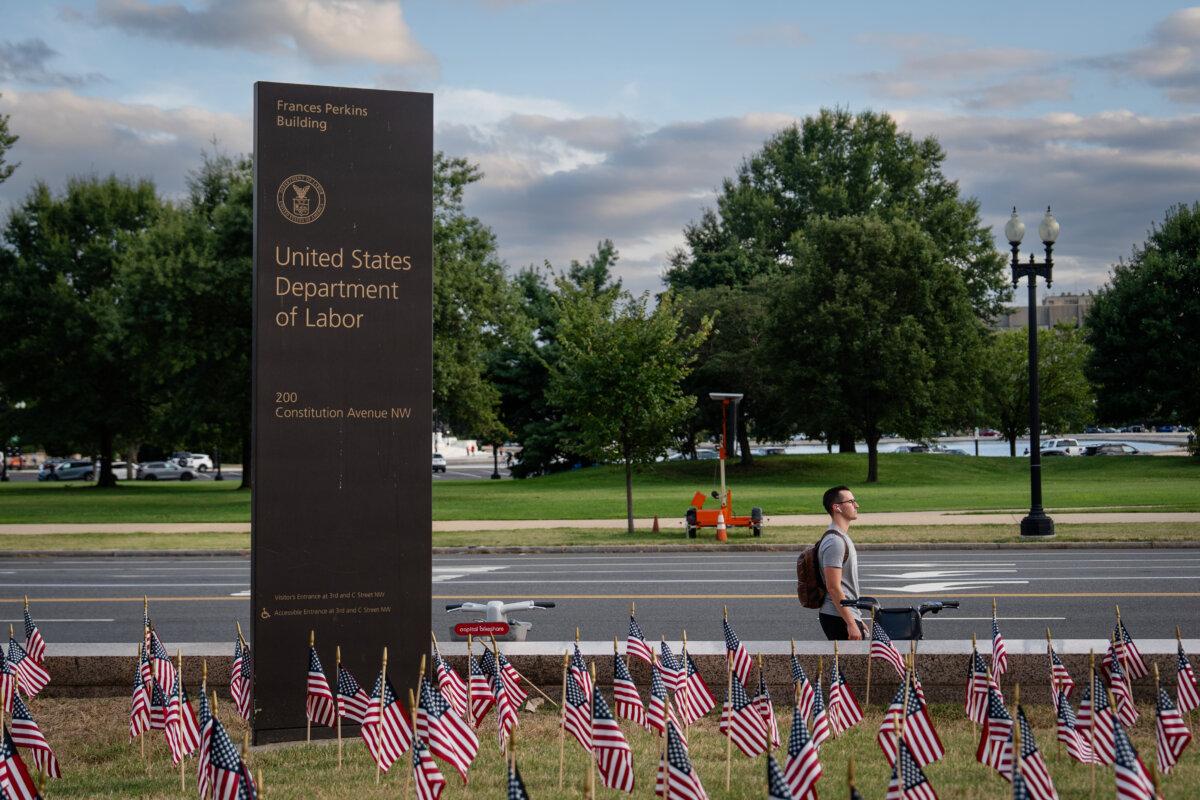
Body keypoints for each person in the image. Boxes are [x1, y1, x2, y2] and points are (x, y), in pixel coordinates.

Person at [818, 485, 865, 641]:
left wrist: (856, 616)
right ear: (836, 507)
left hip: (844, 614)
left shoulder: (841, 537)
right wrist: (851, 623)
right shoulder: (835, 542)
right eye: (851, 501)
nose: (856, 505)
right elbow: (833, 587)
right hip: (837, 616)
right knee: (847, 665)